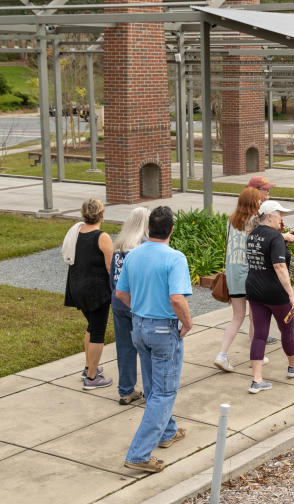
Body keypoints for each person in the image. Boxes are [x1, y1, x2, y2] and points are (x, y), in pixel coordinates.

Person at [116, 206, 193, 473]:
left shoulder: (133, 255)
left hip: (138, 326)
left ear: (148, 229)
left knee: (152, 385)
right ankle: (138, 454)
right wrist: (187, 322)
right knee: (164, 392)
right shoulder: (175, 258)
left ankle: (167, 432)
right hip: (164, 330)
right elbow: (177, 298)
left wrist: (140, 309)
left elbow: (121, 293)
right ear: (172, 229)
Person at [244, 200, 294, 394]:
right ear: (270, 216)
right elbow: (279, 266)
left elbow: (267, 243)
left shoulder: (253, 235)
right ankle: (293, 366)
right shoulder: (274, 238)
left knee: (259, 334)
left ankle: (256, 380)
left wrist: (284, 238)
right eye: (280, 214)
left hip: (254, 290)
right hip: (276, 293)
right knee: (287, 329)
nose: (282, 217)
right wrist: (292, 295)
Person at [214, 187, 270, 373]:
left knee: (237, 316)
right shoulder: (256, 221)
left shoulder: (230, 221)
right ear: (253, 203)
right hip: (251, 274)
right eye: (258, 200)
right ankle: (256, 355)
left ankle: (222, 354)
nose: (261, 203)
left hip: (233, 273)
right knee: (255, 317)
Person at [65, 198, 114, 390]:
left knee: (91, 326)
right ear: (102, 214)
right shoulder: (102, 237)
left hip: (77, 287)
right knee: (98, 333)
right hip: (96, 292)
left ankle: (88, 367)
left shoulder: (77, 232)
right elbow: (111, 268)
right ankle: (92, 378)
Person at [109, 207, 149, 406]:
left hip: (118, 302)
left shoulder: (119, 246)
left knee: (124, 348)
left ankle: (125, 390)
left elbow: (112, 278)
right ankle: (151, 390)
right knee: (146, 348)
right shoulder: (143, 247)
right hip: (138, 303)